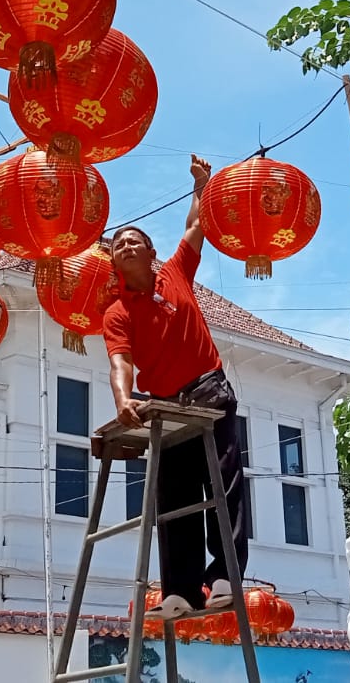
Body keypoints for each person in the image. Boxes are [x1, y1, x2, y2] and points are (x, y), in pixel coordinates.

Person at [101, 154, 247, 620]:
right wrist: (124, 399)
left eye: (134, 240)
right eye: (118, 243)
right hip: (165, 406)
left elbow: (196, 224)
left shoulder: (177, 271)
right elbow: (120, 362)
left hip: (208, 391)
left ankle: (224, 575)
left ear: (150, 253)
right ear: (115, 261)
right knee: (174, 498)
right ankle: (180, 590)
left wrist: (201, 186)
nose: (125, 245)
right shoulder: (117, 313)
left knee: (223, 484)